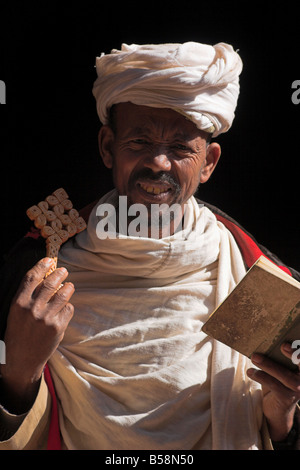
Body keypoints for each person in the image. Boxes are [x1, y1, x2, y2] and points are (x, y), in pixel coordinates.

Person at [0, 42, 299, 450]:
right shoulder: (36, 271)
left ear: (209, 162)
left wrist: (281, 418)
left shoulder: (257, 280)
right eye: (139, 142)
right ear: (108, 147)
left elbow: (283, 425)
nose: (159, 163)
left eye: (180, 148)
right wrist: (18, 371)